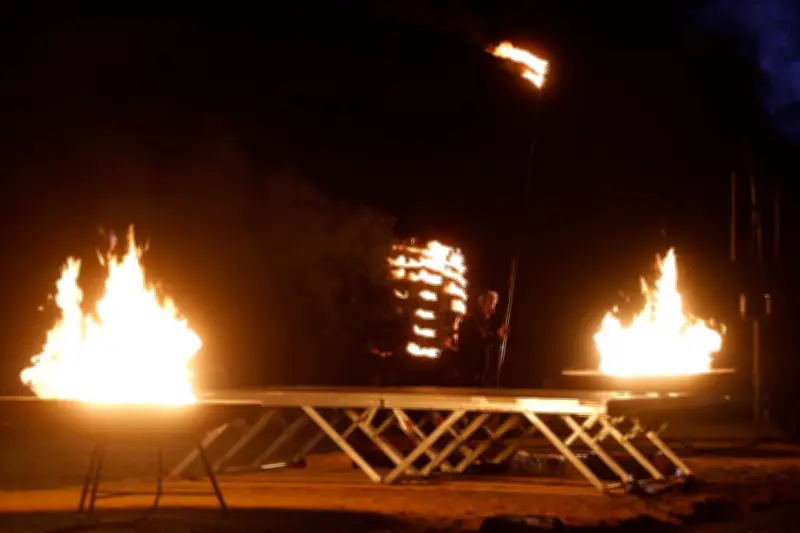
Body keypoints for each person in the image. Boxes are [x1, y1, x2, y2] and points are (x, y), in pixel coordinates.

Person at [455, 290, 508, 387]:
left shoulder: (484, 322)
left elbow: (487, 341)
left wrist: (498, 337)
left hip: (479, 375)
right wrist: (497, 335)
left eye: (494, 303)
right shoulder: (471, 320)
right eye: (491, 303)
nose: (493, 307)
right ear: (482, 303)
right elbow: (479, 340)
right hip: (469, 374)